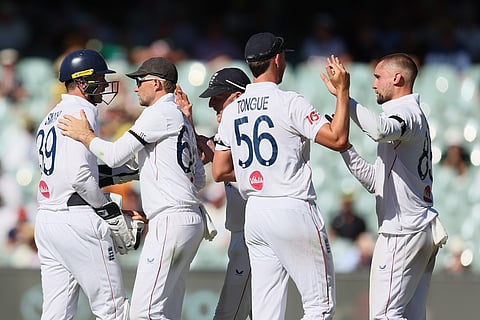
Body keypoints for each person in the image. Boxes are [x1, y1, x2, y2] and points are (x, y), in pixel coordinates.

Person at [212, 31, 351, 320]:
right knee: (319, 307)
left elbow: (220, 170)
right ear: (277, 59)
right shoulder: (290, 102)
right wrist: (342, 93)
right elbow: (337, 139)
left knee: (265, 313)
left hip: (256, 214)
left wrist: (258, 172)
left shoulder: (233, 109)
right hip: (292, 207)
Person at [58, 56, 206, 320]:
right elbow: (200, 178)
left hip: (170, 221)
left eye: (140, 81)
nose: (136, 87)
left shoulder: (159, 113)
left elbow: (114, 155)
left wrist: (85, 135)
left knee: (143, 313)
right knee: (166, 311)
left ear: (158, 84)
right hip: (190, 220)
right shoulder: (181, 118)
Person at [322, 52, 448, 319]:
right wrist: (345, 148)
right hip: (417, 227)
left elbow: (379, 130)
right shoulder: (405, 114)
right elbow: (375, 182)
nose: (374, 84)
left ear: (397, 78)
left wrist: (346, 97)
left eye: (378, 77)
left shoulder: (408, 113)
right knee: (411, 315)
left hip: (403, 231)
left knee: (385, 315)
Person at [34, 49, 132, 320]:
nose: (103, 84)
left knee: (55, 314)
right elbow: (78, 175)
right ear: (81, 81)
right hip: (77, 219)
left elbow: (69, 171)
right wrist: (108, 210)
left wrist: (128, 172)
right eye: (98, 78)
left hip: (47, 219)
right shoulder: (81, 109)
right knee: (113, 310)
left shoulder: (48, 117)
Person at [176, 67, 252, 320]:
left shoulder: (248, 127)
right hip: (244, 233)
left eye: (218, 97)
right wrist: (187, 121)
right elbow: (210, 151)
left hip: (253, 236)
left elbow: (219, 167)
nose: (211, 103)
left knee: (228, 315)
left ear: (236, 96)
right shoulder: (235, 129)